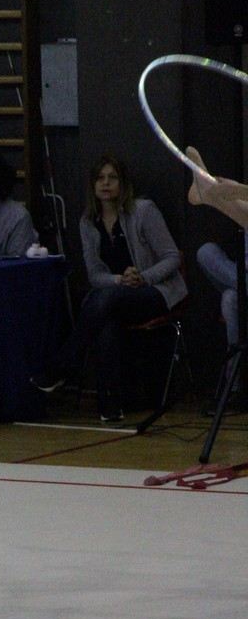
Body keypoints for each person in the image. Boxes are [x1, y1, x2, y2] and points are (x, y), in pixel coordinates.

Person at [31, 152, 186, 422]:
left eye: (112, 178)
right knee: (106, 317)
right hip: (117, 295)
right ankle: (111, 406)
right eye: (100, 178)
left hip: (155, 291)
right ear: (93, 185)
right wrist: (119, 280)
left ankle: (62, 367)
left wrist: (143, 277)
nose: (106, 184)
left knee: (103, 302)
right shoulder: (88, 223)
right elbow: (95, 275)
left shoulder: (144, 211)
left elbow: (172, 257)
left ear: (123, 183)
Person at [187, 145, 248, 351]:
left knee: (231, 298)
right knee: (206, 253)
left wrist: (238, 190)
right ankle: (211, 193)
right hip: (242, 276)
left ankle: (235, 378)